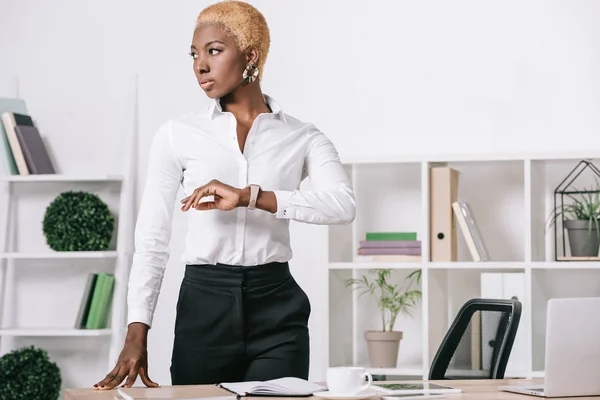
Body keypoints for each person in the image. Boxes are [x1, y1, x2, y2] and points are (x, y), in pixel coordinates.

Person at [94, 0, 355, 390]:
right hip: (204, 307)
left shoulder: (303, 137)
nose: (200, 65)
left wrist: (252, 196)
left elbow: (343, 205)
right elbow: (152, 239)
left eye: (214, 51)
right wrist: (137, 330)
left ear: (250, 56)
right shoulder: (176, 135)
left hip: (278, 308)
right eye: (195, 54)